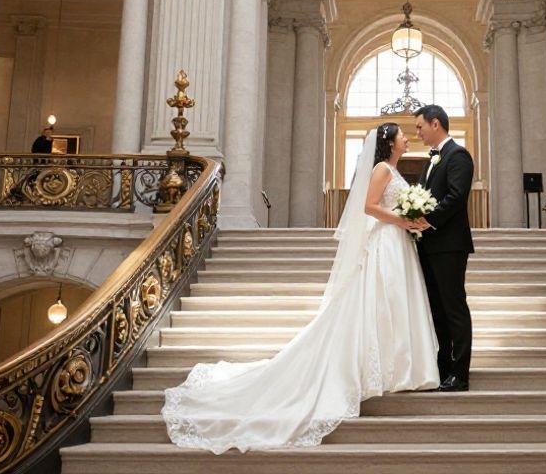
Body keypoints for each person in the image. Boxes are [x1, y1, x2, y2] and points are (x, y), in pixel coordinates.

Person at [161, 123, 438, 453]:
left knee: (393, 304)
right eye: (402, 135)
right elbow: (368, 206)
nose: (406, 138)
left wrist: (411, 218)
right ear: (389, 142)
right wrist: (402, 219)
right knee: (381, 302)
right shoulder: (381, 168)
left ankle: (398, 368)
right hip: (386, 241)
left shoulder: (392, 169)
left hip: (397, 243)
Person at [412, 104, 476, 393]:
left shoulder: (458, 155)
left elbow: (456, 196)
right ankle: (442, 366)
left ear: (435, 123)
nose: (418, 132)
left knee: (454, 308)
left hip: (450, 245)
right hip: (428, 246)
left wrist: (427, 220)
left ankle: (460, 373)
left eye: (419, 126)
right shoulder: (431, 160)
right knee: (436, 310)